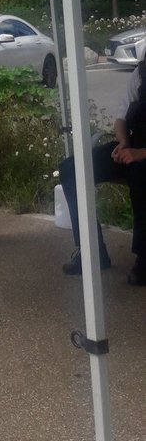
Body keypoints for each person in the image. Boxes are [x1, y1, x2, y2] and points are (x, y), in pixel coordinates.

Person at [58, 60, 146, 286]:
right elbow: (121, 116)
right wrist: (124, 142)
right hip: (134, 144)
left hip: (143, 154)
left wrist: (141, 153)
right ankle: (91, 251)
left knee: (141, 176)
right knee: (73, 170)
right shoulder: (141, 71)